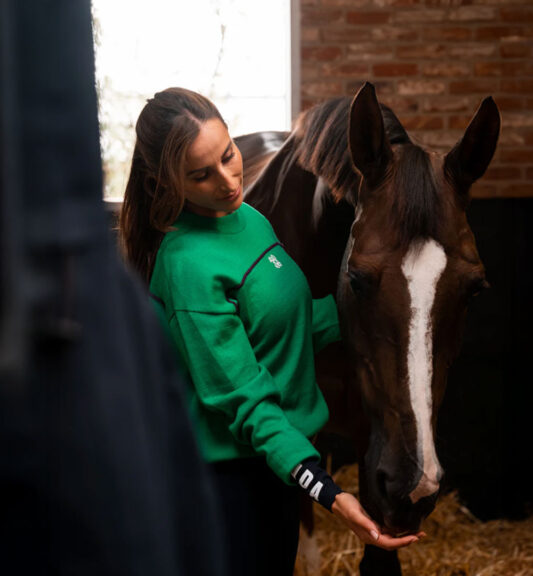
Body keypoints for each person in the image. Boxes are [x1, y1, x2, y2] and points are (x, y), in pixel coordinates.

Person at [118, 87, 422, 576]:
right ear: (165, 181)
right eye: (201, 174)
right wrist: (330, 492)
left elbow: (294, 321)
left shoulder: (247, 218)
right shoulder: (188, 266)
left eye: (228, 155)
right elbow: (248, 404)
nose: (227, 179)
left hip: (274, 471)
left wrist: (384, 311)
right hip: (229, 484)